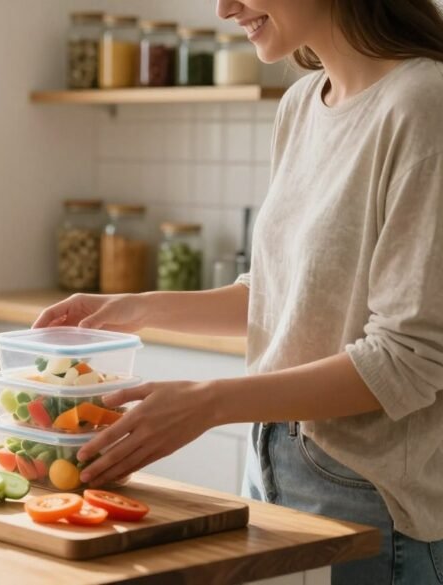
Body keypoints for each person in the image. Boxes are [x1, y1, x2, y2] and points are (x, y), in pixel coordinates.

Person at [34, 1, 443, 583]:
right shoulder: (303, 104)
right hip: (271, 469)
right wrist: (132, 309)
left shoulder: (423, 105)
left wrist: (210, 401)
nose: (225, 8)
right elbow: (279, 296)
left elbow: (407, 359)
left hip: (369, 499)